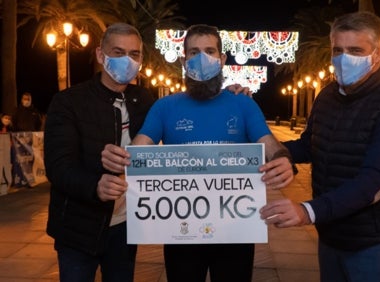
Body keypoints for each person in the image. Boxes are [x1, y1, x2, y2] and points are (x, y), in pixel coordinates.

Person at [44, 22, 253, 282]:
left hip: (125, 227)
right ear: (100, 54)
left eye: (134, 55)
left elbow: (153, 148)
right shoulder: (68, 102)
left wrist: (231, 93)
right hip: (79, 226)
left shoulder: (143, 100)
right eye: (118, 53)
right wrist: (94, 185)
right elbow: (57, 165)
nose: (127, 61)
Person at [100, 24, 295, 282]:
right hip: (181, 233)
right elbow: (138, 150)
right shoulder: (165, 107)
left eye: (209, 51)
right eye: (193, 52)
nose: (202, 58)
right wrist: (119, 160)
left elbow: (270, 145)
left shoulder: (243, 104)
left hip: (235, 232)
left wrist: (283, 161)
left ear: (222, 59)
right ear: (183, 60)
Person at [260, 11, 380, 282]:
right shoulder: (327, 95)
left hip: (375, 244)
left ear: (377, 55)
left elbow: (373, 184)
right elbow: (309, 145)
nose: (344, 58)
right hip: (330, 237)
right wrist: (274, 156)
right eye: (338, 50)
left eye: (355, 50)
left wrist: (307, 211)